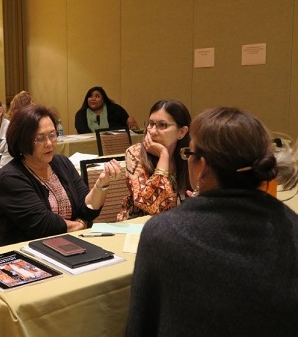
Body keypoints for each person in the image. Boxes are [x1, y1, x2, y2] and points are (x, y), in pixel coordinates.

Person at [126, 107, 298, 336]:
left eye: (190, 153)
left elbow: (141, 325)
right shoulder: (290, 224)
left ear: (202, 165)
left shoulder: (164, 233)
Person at [0, 105, 123, 246]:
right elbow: (44, 225)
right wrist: (79, 225)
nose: (49, 143)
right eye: (40, 138)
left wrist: (101, 184)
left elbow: (87, 210)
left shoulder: (61, 163)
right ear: (22, 141)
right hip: (27, 251)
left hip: (68, 244)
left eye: (52, 135)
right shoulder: (11, 178)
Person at [117, 99, 191, 221]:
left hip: (180, 223)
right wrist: (163, 155)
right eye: (151, 124)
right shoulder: (135, 153)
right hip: (141, 225)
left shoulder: (189, 154)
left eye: (162, 125)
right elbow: (150, 206)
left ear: (181, 132)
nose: (152, 131)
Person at [74, 86, 139, 133]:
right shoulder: (81, 114)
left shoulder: (115, 109)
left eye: (97, 96)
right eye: (90, 96)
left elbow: (128, 122)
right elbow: (82, 131)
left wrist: (130, 118)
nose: (93, 99)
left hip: (116, 143)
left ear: (103, 99)